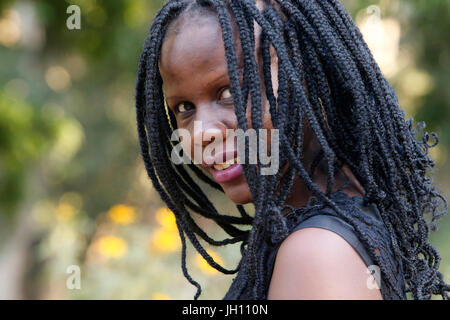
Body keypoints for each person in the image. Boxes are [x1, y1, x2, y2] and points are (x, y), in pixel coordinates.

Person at [135, 0, 450, 300]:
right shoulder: (328, 219)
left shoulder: (317, 253)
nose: (202, 132)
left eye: (229, 91)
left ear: (312, 76)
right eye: (185, 107)